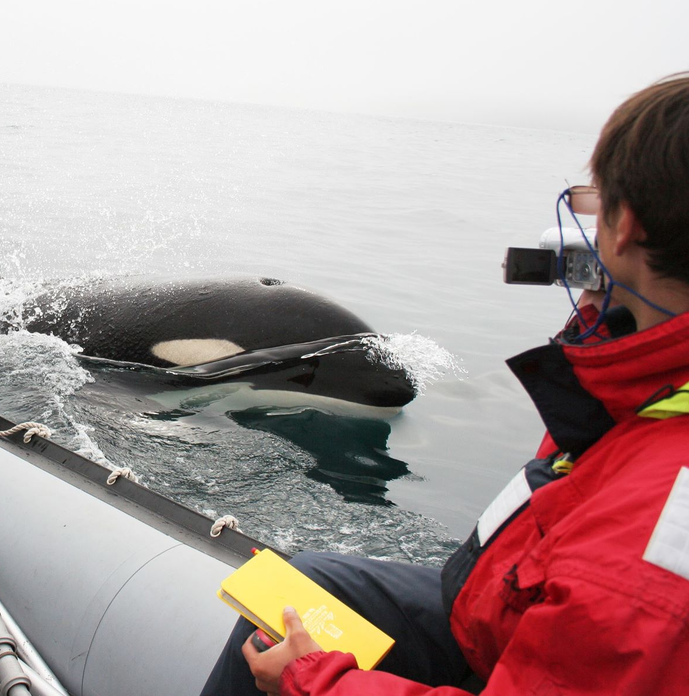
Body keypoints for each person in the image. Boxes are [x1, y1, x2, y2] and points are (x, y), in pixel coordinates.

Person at [201, 72, 689, 695]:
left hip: (525, 647)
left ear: (628, 229)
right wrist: (606, 318)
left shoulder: (650, 540)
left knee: (280, 636)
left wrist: (313, 679)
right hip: (500, 618)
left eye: (597, 205)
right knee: (312, 582)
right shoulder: (644, 381)